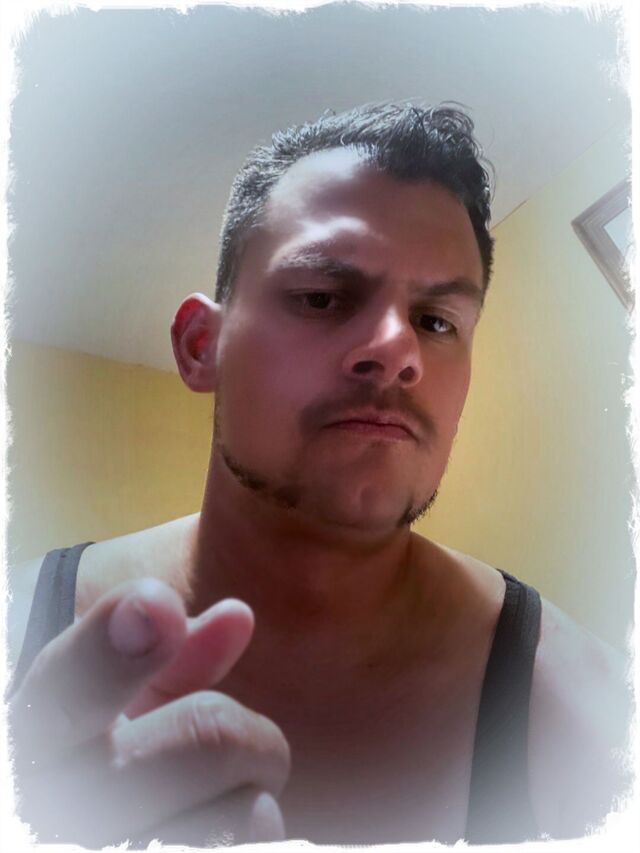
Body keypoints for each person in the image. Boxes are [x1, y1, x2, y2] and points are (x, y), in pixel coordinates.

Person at [7, 102, 632, 847]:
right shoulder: (17, 626)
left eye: (436, 321)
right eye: (321, 297)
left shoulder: (594, 723)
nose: (397, 349)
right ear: (202, 346)